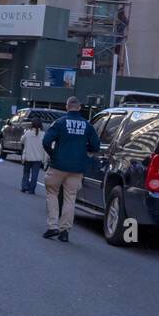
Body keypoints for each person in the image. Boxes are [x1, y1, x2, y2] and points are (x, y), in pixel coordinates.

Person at [41, 96, 99, 243]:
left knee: (52, 193)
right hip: (77, 168)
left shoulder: (60, 123)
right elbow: (96, 146)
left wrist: (53, 155)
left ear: (67, 107)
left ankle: (52, 226)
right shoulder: (87, 125)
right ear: (79, 108)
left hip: (58, 165)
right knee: (70, 198)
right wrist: (84, 154)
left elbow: (46, 141)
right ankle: (65, 230)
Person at [19, 116, 47, 194]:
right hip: (38, 158)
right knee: (35, 175)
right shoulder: (43, 134)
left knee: (26, 173)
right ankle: (32, 189)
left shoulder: (28, 132)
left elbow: (22, 140)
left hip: (28, 156)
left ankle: (24, 187)